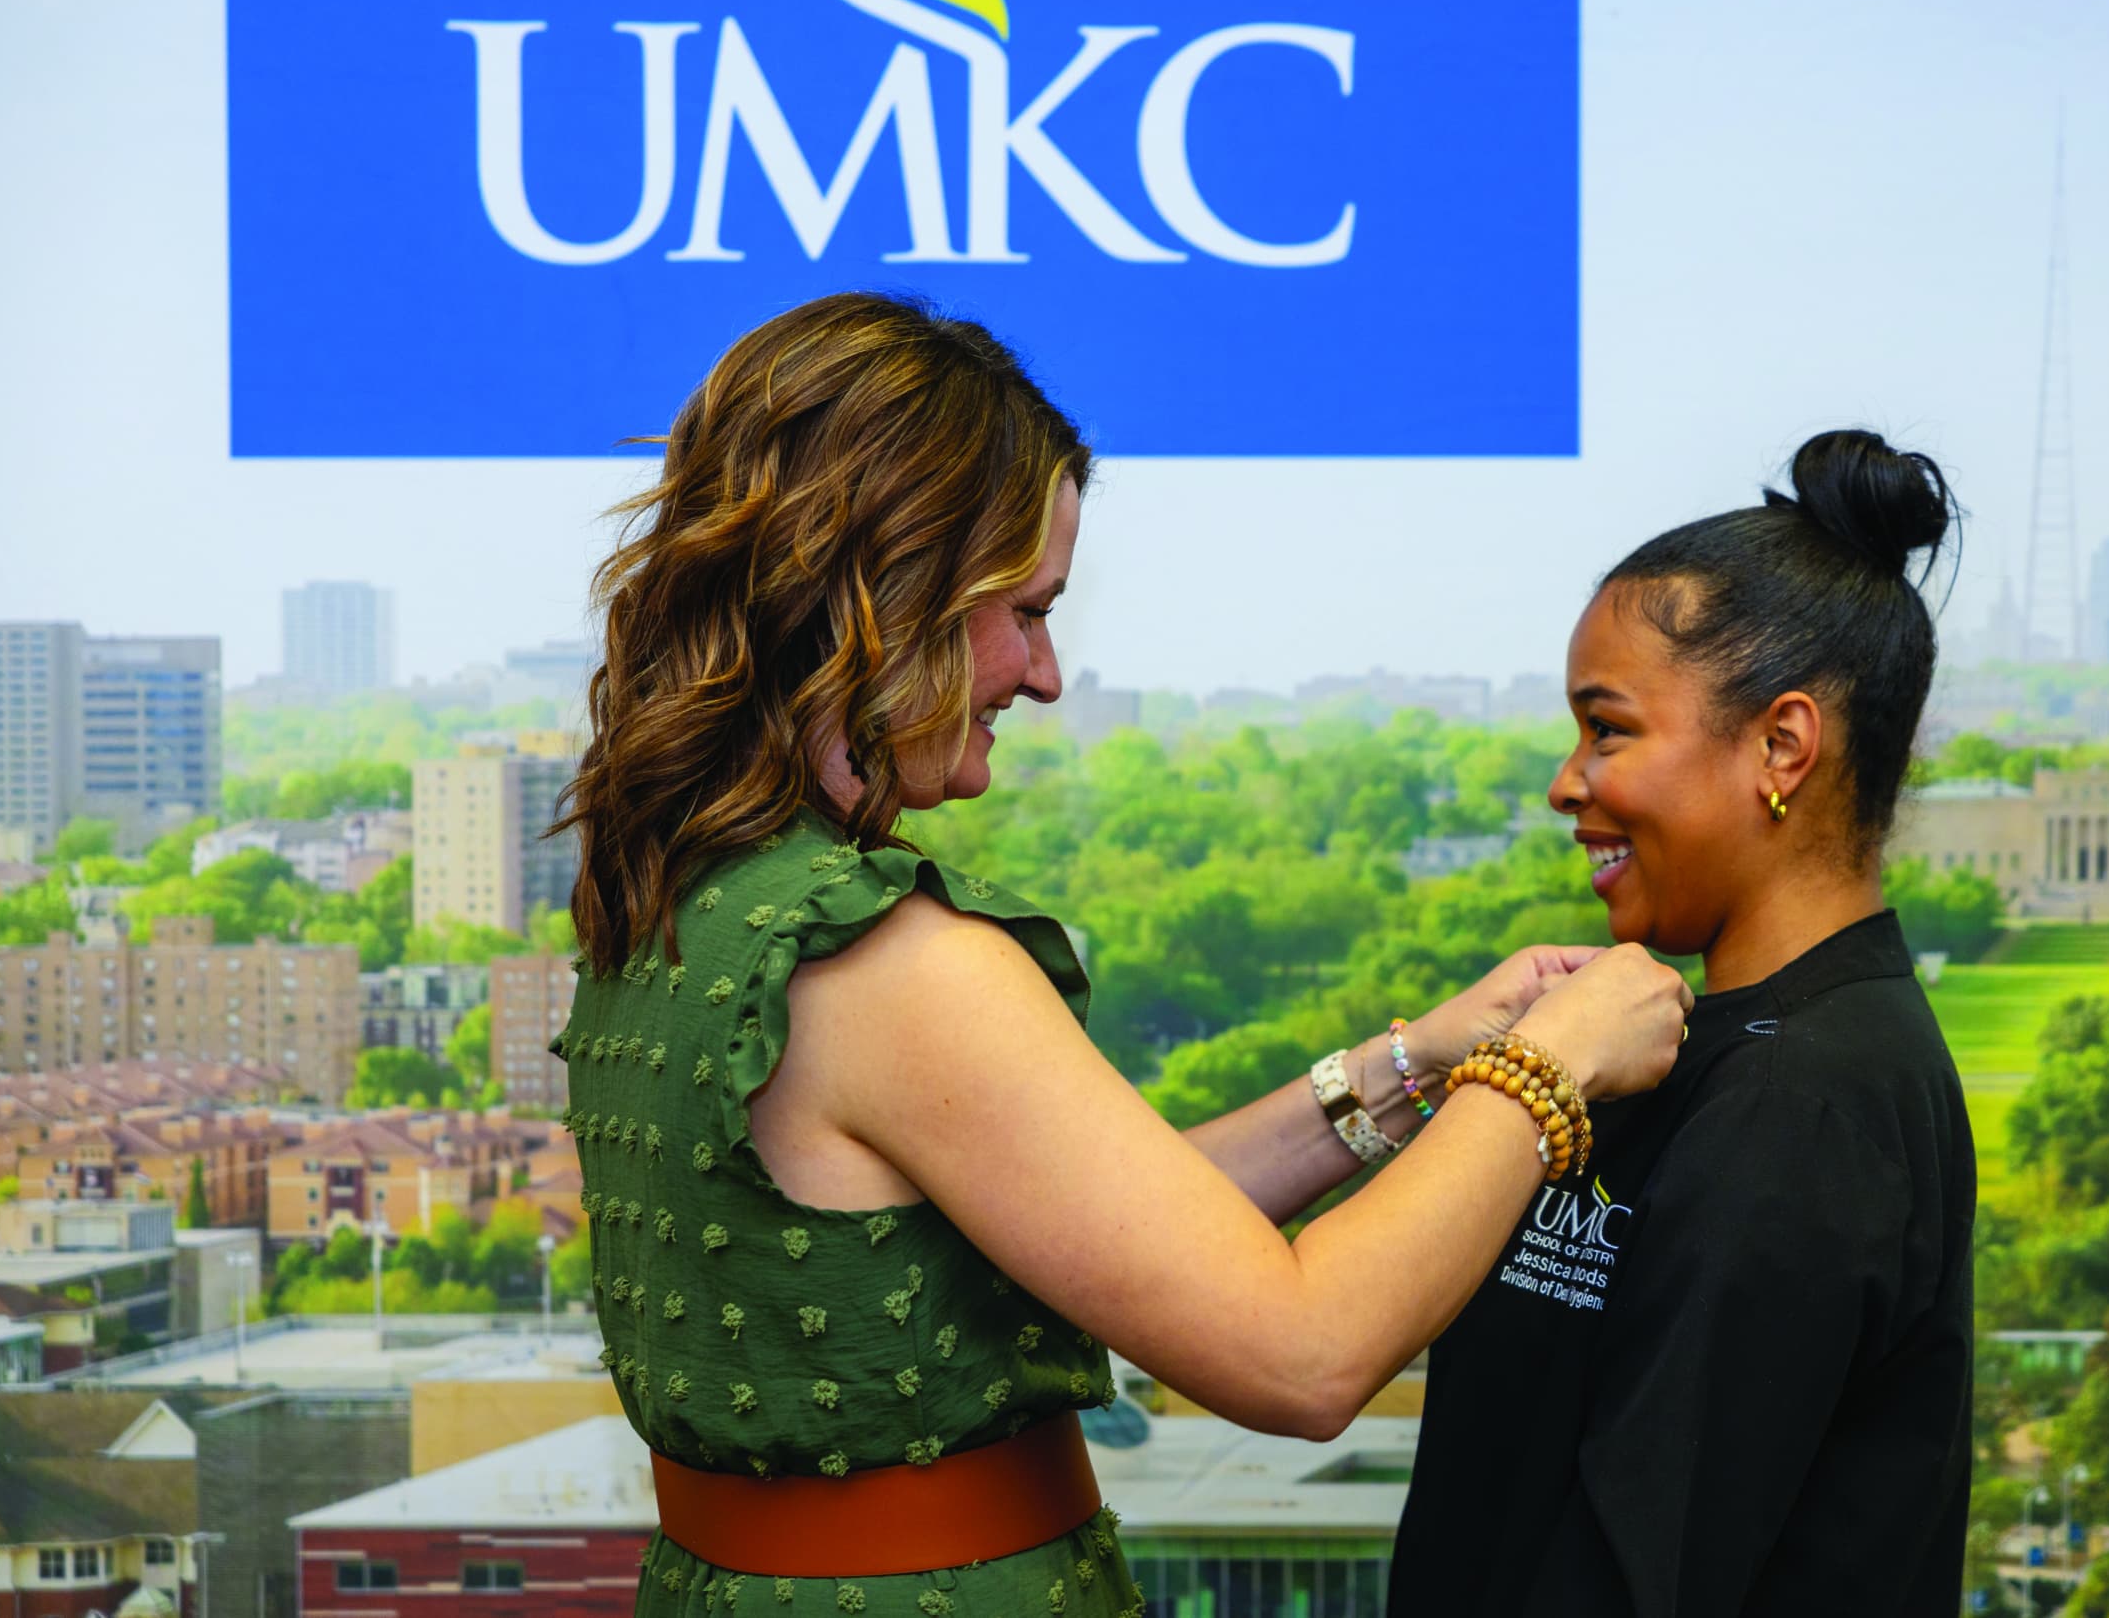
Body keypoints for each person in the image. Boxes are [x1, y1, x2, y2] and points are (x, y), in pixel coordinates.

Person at [554, 291, 1692, 1618]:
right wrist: (1547, 1070)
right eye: (1027, 609)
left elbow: (1098, 1224)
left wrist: (1415, 1064)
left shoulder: (678, 896)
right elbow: (1305, 1355)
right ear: (886, 583)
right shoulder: (889, 962)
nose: (1044, 675)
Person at [1391, 430, 1980, 1616]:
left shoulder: (1803, 1103)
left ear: (1781, 746)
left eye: (1606, 729)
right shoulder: (1714, 1054)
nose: (1566, 782)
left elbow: (1644, 1568)